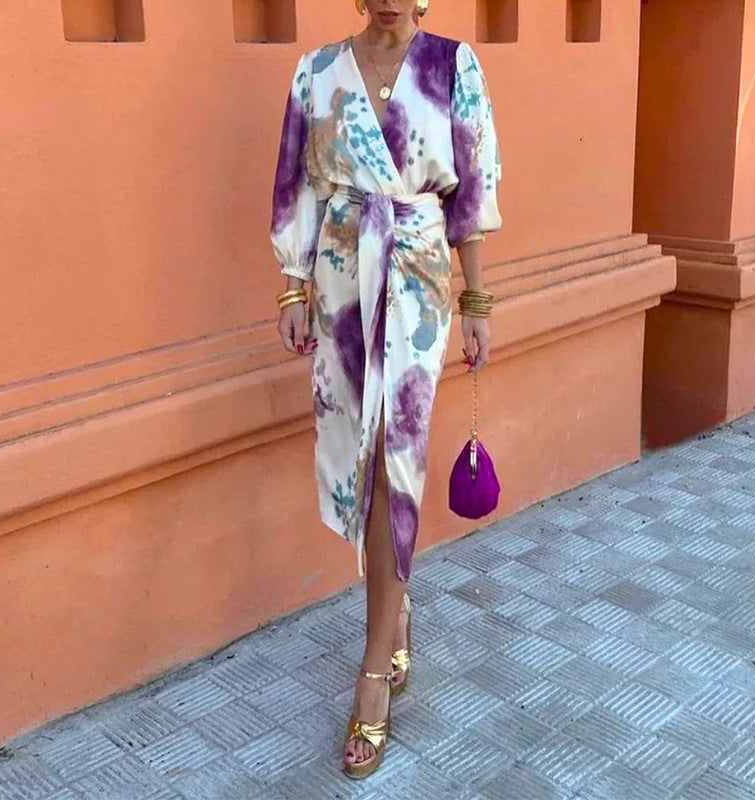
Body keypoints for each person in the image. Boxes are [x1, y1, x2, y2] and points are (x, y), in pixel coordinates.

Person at [270, 0, 502, 779]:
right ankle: (395, 611)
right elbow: (296, 182)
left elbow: (471, 193)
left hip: (419, 279)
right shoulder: (316, 72)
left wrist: (476, 300)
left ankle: (374, 668)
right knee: (357, 453)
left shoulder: (453, 67)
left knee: (395, 462)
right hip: (341, 280)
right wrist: (293, 285)